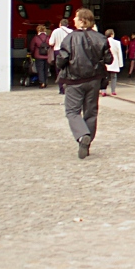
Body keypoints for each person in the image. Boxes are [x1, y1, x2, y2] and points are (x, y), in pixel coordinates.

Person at [56, 8, 112, 160]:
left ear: (82, 20)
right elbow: (109, 59)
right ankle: (87, 142)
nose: (73, 19)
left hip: (75, 80)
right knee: (91, 112)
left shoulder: (70, 38)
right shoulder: (100, 38)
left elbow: (61, 59)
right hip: (94, 80)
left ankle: (82, 135)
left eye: (76, 17)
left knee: (72, 111)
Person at [48, 18, 74, 95]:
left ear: (60, 24)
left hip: (58, 51)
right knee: (70, 69)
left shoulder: (55, 31)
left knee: (59, 70)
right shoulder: (71, 32)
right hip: (69, 51)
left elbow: (51, 43)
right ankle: (69, 88)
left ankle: (61, 89)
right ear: (67, 25)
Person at [104, 29, 123, 97]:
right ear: (112, 34)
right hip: (114, 61)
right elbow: (119, 54)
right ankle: (113, 91)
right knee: (113, 77)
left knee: (105, 77)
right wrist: (120, 64)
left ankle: (103, 90)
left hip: (105, 61)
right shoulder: (117, 42)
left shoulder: (104, 41)